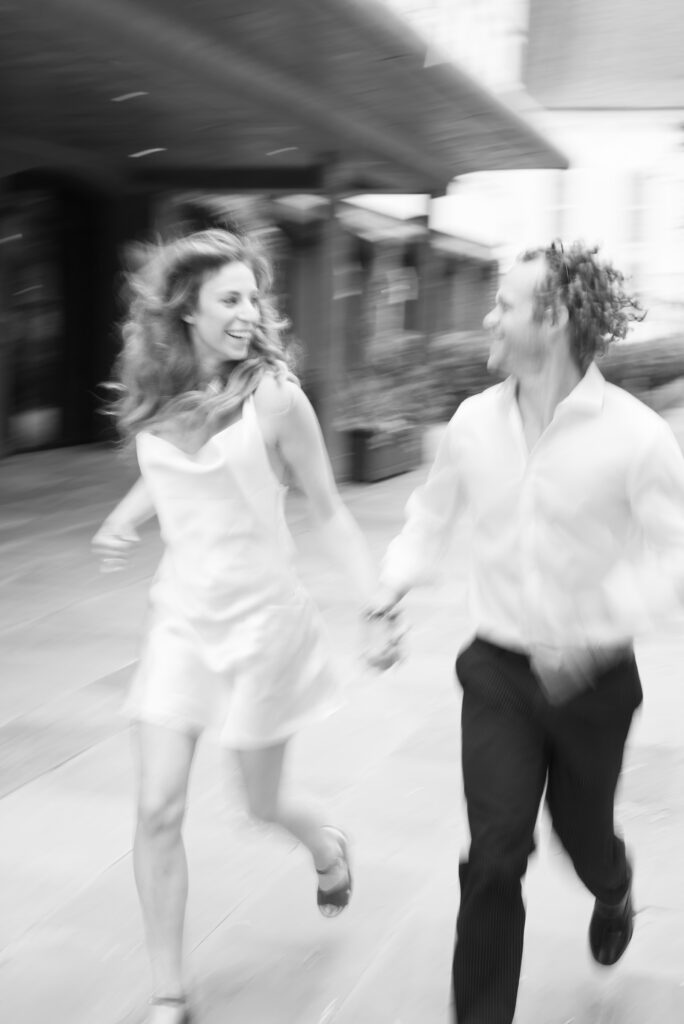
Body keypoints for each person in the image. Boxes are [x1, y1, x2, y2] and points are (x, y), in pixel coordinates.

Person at [368, 240, 684, 1023]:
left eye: (505, 303)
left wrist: (598, 625)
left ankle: (613, 887)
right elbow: (429, 519)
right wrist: (389, 592)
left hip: (597, 683)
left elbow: (675, 556)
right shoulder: (473, 424)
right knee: (495, 853)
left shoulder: (636, 437)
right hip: (499, 672)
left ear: (557, 317)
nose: (489, 316)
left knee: (584, 840)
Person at [92, 228, 399, 1024]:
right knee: (157, 806)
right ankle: (169, 991)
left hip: (264, 624)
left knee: (259, 803)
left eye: (253, 297)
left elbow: (327, 510)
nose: (248, 312)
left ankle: (326, 845)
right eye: (230, 298)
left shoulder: (275, 396)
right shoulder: (158, 389)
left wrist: (373, 603)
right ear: (185, 309)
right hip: (182, 622)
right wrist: (125, 515)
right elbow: (168, 472)